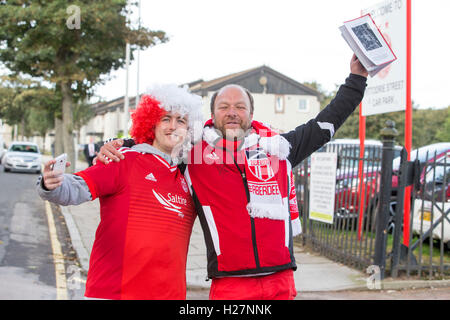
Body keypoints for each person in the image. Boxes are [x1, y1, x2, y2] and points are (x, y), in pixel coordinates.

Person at [98, 55, 369, 300]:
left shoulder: (278, 148)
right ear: (212, 114)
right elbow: (160, 141)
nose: (232, 112)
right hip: (230, 285)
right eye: (224, 106)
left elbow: (324, 125)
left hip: (281, 280)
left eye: (240, 107)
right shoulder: (192, 154)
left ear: (251, 114)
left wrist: (357, 79)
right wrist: (119, 144)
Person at [36, 84, 203, 300]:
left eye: (181, 120)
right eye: (165, 118)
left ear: (188, 130)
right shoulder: (123, 160)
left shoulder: (188, 178)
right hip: (113, 292)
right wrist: (53, 184)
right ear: (151, 123)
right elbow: (78, 187)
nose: (173, 126)